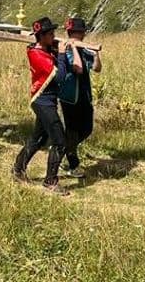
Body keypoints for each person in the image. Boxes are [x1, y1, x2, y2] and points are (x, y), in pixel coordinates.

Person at [12, 17, 82, 196]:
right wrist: (60, 53)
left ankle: (18, 169)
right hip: (42, 101)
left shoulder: (45, 48)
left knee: (38, 139)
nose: (53, 36)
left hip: (48, 101)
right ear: (41, 36)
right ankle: (50, 181)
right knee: (59, 141)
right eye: (50, 34)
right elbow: (59, 76)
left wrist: (62, 49)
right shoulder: (36, 54)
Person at [59, 17, 102, 178]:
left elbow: (96, 68)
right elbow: (78, 69)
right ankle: (72, 164)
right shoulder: (64, 50)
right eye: (75, 33)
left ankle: (63, 149)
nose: (79, 35)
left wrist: (96, 54)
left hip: (85, 95)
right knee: (72, 130)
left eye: (80, 33)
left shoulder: (85, 50)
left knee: (87, 128)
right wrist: (74, 48)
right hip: (70, 97)